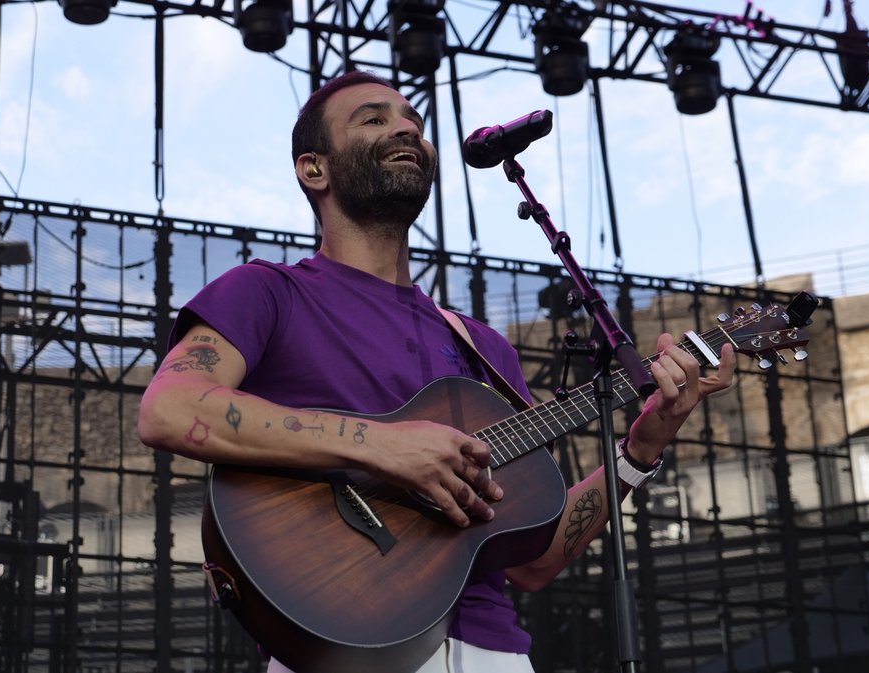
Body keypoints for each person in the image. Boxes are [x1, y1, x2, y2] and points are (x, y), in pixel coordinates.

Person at [136, 70, 736, 673]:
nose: (405, 129)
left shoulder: (483, 348)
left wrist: (645, 443)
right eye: (373, 119)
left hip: (494, 654)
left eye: (413, 123)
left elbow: (534, 559)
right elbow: (170, 410)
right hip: (344, 642)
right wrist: (383, 447)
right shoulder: (266, 292)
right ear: (313, 169)